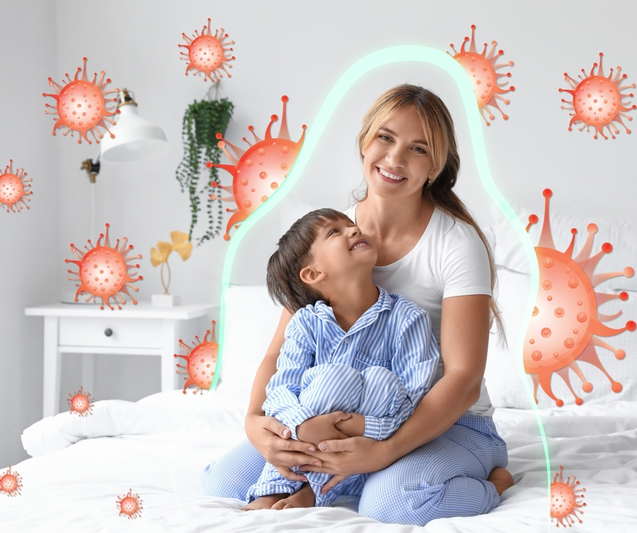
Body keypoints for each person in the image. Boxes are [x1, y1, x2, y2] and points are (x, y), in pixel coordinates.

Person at [202, 84, 514, 526]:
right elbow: (280, 349)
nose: (395, 159)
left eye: (418, 149)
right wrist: (256, 422)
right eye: (385, 138)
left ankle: (494, 482)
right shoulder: (333, 236)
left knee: (389, 506)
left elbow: (464, 379)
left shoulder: (455, 243)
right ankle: (351, 476)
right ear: (365, 140)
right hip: (338, 417)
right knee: (226, 486)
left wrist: (384, 450)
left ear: (435, 167)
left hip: (448, 424)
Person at [243, 208, 440, 510]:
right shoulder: (306, 323)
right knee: (330, 382)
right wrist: (303, 425)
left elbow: (414, 399)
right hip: (305, 432)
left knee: (376, 380)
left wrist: (361, 428)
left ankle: (306, 488)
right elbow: (281, 390)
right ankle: (296, 485)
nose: (354, 230)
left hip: (376, 435)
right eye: (335, 232)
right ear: (313, 274)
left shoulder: (407, 319)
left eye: (352, 225)